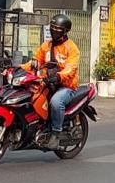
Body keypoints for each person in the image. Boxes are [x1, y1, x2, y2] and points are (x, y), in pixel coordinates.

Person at [33, 13, 81, 144]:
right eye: (52, 28)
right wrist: (17, 68)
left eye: (57, 29)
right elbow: (36, 61)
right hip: (47, 83)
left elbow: (70, 69)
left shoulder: (72, 48)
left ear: (65, 31)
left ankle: (56, 133)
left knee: (56, 102)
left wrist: (58, 77)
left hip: (66, 87)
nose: (54, 31)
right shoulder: (46, 46)